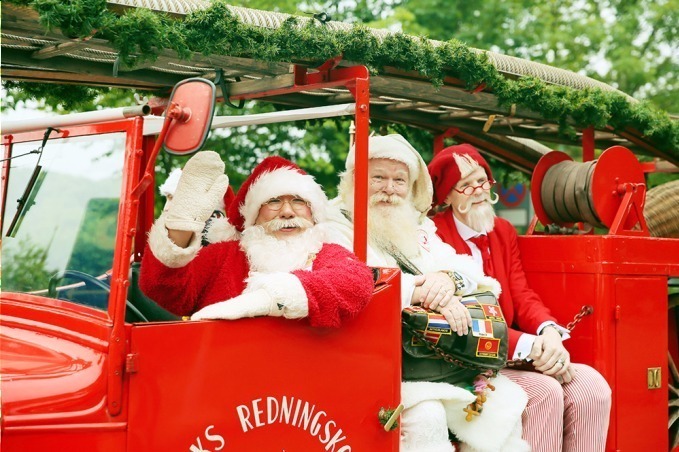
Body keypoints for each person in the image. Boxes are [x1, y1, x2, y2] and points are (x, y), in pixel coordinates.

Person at [333, 134, 529, 452]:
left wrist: (449, 281)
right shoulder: (335, 225)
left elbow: (473, 275)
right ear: (356, 179)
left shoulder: (419, 227)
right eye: (378, 177)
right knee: (428, 417)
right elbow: (348, 280)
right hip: (375, 368)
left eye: (399, 180)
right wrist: (420, 291)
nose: (389, 188)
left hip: (443, 364)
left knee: (502, 409)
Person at [428, 143, 612, 452]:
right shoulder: (434, 234)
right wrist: (530, 346)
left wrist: (549, 332)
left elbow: (521, 293)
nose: (478, 190)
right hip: (464, 360)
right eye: (465, 185)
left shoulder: (502, 230)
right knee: (545, 391)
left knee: (592, 387)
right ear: (447, 195)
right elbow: (469, 318)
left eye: (483, 180)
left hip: (511, 355)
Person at [140, 151, 373, 328]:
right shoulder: (225, 255)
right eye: (273, 201)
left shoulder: (326, 252)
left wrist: (267, 300)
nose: (287, 212)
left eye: (298, 201)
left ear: (312, 211)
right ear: (254, 215)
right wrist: (180, 231)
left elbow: (356, 283)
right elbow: (166, 291)